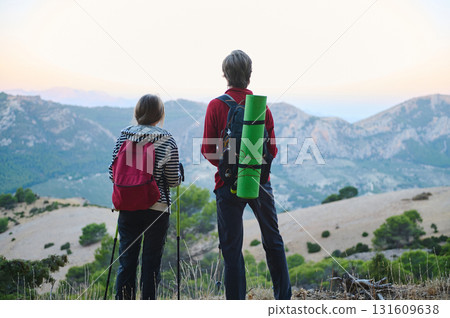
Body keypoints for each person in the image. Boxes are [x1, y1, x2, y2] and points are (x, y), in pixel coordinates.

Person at [201, 50, 291, 300]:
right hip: (260, 183)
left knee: (231, 250)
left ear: (225, 75)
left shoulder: (216, 106)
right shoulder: (262, 108)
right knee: (273, 241)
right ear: (250, 76)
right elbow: (271, 149)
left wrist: (230, 165)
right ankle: (283, 300)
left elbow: (208, 150)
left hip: (226, 183)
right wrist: (250, 166)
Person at [109, 94, 180, 300]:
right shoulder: (166, 139)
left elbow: (113, 174)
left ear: (137, 112)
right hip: (156, 210)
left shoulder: (124, 135)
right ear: (159, 115)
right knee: (151, 264)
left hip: (128, 206)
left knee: (127, 261)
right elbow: (173, 180)